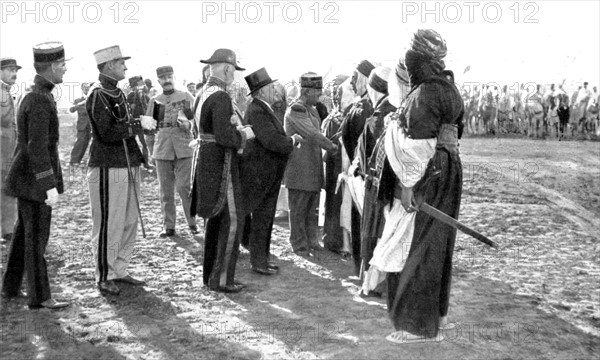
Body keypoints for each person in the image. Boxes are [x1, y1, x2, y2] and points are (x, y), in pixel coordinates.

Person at [374, 29, 464, 343]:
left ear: (418, 59)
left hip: (430, 172)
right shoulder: (449, 88)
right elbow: (452, 135)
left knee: (419, 245)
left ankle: (417, 327)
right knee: (439, 244)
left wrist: (409, 185)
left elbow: (417, 147)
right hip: (449, 169)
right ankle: (437, 319)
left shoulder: (425, 92)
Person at [1, 43, 70, 309]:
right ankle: (41, 297)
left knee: (22, 235)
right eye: (62, 65)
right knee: (36, 238)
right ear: (52, 67)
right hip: (34, 181)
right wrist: (48, 185)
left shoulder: (37, 93)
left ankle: (10, 286)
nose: (65, 69)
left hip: (25, 179)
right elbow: (37, 147)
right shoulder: (39, 98)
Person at [190, 48, 254, 293]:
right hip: (222, 164)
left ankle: (210, 277)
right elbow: (225, 137)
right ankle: (223, 279)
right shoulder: (222, 97)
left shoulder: (202, 93)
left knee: (214, 223)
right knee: (231, 221)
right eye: (234, 71)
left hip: (206, 161)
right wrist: (243, 135)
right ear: (227, 69)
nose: (234, 76)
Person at [87, 45, 146, 295]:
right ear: (109, 65)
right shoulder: (97, 94)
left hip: (128, 162)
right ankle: (105, 273)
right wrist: (136, 126)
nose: (125, 67)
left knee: (129, 219)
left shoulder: (118, 93)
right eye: (122, 63)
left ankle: (120, 268)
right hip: (108, 165)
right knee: (109, 222)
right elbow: (107, 132)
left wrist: (137, 124)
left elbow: (123, 125)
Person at [240, 68, 302, 275]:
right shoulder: (258, 110)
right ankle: (258, 261)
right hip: (261, 172)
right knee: (261, 218)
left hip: (265, 172)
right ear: (262, 91)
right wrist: (292, 140)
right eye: (270, 87)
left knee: (264, 218)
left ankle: (262, 259)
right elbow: (272, 141)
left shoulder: (260, 108)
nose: (274, 90)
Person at [284, 73, 337, 256]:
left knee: (311, 207)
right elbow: (313, 134)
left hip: (310, 166)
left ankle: (311, 240)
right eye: (317, 92)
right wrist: (332, 146)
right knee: (299, 207)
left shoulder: (311, 108)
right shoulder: (297, 109)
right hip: (300, 168)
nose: (320, 96)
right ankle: (299, 243)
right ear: (307, 91)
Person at [144, 66, 198, 237]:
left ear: (174, 77)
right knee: (166, 190)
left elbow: (196, 119)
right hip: (162, 149)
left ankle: (192, 222)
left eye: (169, 76)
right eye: (163, 78)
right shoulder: (155, 100)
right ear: (158, 80)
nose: (167, 80)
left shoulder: (185, 97)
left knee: (184, 187)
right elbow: (149, 127)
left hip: (184, 146)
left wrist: (188, 125)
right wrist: (151, 150)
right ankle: (169, 226)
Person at [338, 60, 375, 273]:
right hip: (365, 175)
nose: (351, 83)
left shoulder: (359, 108)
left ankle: (361, 269)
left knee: (360, 221)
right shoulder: (367, 107)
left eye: (355, 78)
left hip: (358, 174)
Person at [0, 57, 20, 244]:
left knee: (6, 188)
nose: (13, 73)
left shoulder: (6, 91)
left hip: (8, 150)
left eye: (15, 70)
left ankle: (7, 230)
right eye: (9, 70)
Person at [68, 82, 92, 167]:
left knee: (94, 144)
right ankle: (74, 160)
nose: (86, 89)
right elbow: (72, 109)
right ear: (82, 89)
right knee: (81, 142)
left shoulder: (93, 99)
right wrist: (80, 104)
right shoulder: (78, 100)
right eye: (84, 88)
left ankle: (92, 162)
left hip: (93, 125)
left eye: (88, 87)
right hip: (83, 125)